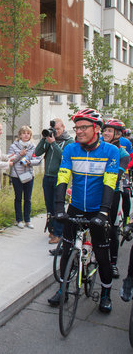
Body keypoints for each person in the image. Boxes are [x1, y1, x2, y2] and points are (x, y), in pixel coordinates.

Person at [48, 108, 119, 313]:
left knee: (102, 253)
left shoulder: (110, 152)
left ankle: (105, 293)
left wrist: (104, 213)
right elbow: (62, 178)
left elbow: (110, 184)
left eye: (83, 127)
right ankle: (63, 289)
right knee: (68, 249)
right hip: (76, 206)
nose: (78, 131)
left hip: (99, 209)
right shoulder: (71, 149)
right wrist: (59, 208)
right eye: (76, 127)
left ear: (96, 128)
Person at [34, 118, 74, 244]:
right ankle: (52, 229)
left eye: (58, 129)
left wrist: (53, 143)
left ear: (63, 128)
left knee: (58, 206)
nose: (56, 132)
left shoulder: (69, 141)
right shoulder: (49, 139)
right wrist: (44, 138)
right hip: (47, 176)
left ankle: (58, 233)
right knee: (49, 205)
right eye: (54, 129)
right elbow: (37, 152)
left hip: (60, 177)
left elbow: (64, 157)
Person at [101, 119, 130, 279]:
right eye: (105, 130)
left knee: (112, 227)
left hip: (113, 191)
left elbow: (115, 176)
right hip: (95, 189)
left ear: (118, 134)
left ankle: (112, 263)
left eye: (109, 131)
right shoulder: (99, 148)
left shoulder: (123, 154)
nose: (105, 133)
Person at [8, 126, 42, 229]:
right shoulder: (13, 146)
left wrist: (29, 162)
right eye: (24, 133)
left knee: (28, 199)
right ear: (20, 135)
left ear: (30, 135)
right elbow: (10, 160)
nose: (26, 135)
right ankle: (19, 220)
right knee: (18, 198)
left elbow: (39, 160)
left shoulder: (33, 147)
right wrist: (19, 154)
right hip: (17, 176)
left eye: (28, 133)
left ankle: (27, 220)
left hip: (29, 176)